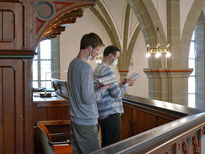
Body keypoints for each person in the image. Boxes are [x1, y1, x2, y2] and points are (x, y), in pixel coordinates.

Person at [67, 33, 110, 154]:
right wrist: (104, 89)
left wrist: (94, 86)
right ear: (89, 48)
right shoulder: (85, 68)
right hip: (86, 120)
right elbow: (87, 98)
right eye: (96, 49)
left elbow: (78, 89)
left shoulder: (73, 64)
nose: (97, 53)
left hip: (75, 119)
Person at [93, 45, 136, 147]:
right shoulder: (108, 70)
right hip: (111, 112)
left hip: (102, 112)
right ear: (111, 56)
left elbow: (109, 88)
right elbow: (117, 94)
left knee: (106, 144)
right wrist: (127, 84)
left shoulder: (98, 68)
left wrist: (120, 84)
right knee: (113, 146)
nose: (117, 60)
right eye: (117, 57)